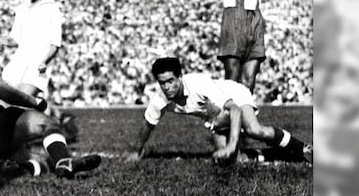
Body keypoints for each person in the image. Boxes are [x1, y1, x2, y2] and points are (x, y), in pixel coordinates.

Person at [0, 24, 100, 178]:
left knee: (27, 160)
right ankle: (64, 161)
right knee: (47, 123)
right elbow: (5, 92)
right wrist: (34, 102)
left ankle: (15, 166)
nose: (0, 48)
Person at [128, 57, 312, 165]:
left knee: (254, 130)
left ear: (180, 77)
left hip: (233, 96)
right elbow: (148, 125)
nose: (167, 87)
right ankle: (279, 154)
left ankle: (302, 149)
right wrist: (137, 151)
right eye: (162, 83)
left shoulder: (199, 84)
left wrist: (233, 143)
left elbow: (234, 109)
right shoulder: (159, 99)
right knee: (231, 161)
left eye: (170, 81)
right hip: (215, 115)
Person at [2, 0, 77, 141]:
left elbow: (55, 44)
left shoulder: (52, 8)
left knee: (21, 101)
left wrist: (45, 62)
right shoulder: (22, 7)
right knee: (3, 100)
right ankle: (54, 116)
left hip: (38, 64)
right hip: (18, 61)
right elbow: (15, 38)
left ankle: (13, 143)